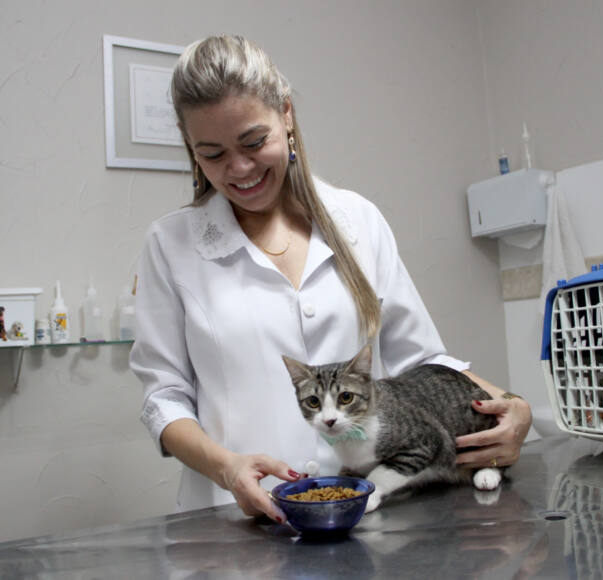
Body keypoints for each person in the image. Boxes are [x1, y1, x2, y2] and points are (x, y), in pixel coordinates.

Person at [130, 35, 532, 524]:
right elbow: (163, 399)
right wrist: (228, 469)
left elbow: (422, 362)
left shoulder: (358, 220)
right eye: (212, 154)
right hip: (234, 523)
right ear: (189, 144)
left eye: (254, 142)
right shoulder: (170, 244)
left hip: (363, 514)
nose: (239, 169)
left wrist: (511, 404)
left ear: (286, 113)